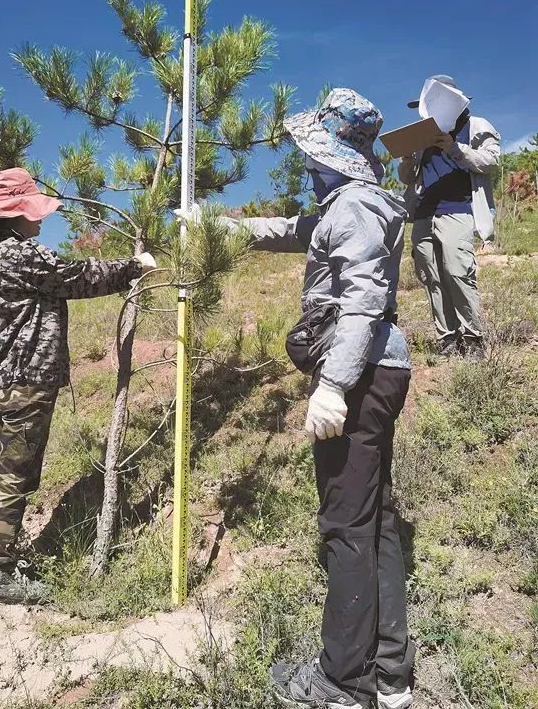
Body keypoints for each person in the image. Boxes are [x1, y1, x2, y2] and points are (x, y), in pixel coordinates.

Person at [180, 89, 414, 709]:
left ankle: (343, 682)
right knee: (375, 519)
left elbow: (363, 299)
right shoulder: (347, 205)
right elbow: (287, 230)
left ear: (339, 157)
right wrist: (214, 224)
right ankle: (390, 674)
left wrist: (334, 385)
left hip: (359, 374)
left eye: (314, 157)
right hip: (376, 370)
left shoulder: (356, 206)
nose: (306, 167)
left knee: (345, 525)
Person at [0, 167, 156, 605]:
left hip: (4, 377)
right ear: (13, 214)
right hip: (27, 380)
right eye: (32, 210)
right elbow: (78, 276)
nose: (40, 218)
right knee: (16, 473)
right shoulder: (19, 253)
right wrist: (132, 267)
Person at [398, 75, 500, 359]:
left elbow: (491, 161)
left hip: (458, 210)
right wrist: (406, 159)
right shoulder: (421, 138)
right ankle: (448, 338)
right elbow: (408, 178)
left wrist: (453, 148)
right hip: (424, 214)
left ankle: (473, 339)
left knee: (458, 272)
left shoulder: (477, 126)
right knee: (431, 276)